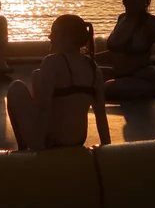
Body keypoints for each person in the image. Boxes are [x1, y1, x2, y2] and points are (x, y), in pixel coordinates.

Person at [6, 14, 112, 151]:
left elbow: (44, 109)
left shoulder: (52, 62)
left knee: (16, 88)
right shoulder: (93, 67)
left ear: (68, 39)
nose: (50, 37)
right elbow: (101, 116)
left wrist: (40, 149)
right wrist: (107, 149)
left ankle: (23, 150)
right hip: (77, 140)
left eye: (54, 32)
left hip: (50, 141)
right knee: (37, 75)